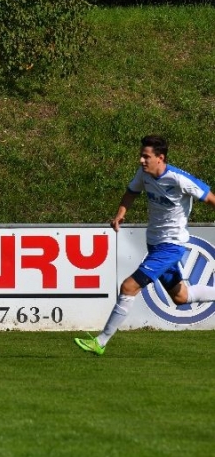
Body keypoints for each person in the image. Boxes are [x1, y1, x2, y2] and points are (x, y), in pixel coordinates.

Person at [75, 134, 215, 356]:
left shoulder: (179, 179)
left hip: (171, 246)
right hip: (154, 244)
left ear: (160, 158)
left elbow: (210, 198)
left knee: (129, 287)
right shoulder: (144, 174)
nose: (141, 160)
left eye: (146, 156)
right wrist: (120, 214)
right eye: (141, 156)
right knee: (181, 297)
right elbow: (131, 193)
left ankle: (100, 342)